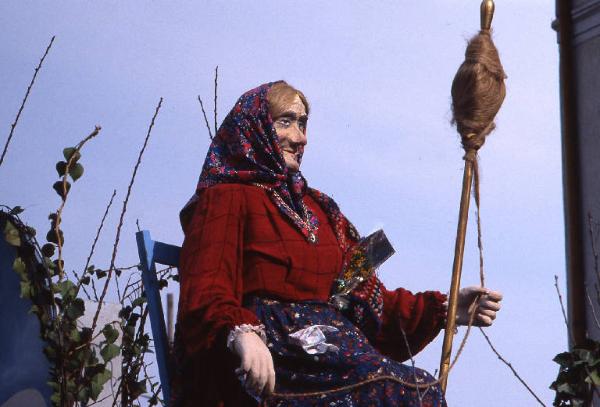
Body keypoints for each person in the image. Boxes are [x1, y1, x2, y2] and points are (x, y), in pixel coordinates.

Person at [173, 81, 502, 406]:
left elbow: (368, 298)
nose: (299, 137)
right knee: (398, 391)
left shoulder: (324, 210)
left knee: (419, 388)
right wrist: (242, 332)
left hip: (333, 352)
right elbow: (206, 287)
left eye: (302, 124)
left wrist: (445, 309)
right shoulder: (227, 197)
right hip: (274, 359)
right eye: (286, 121)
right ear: (255, 127)